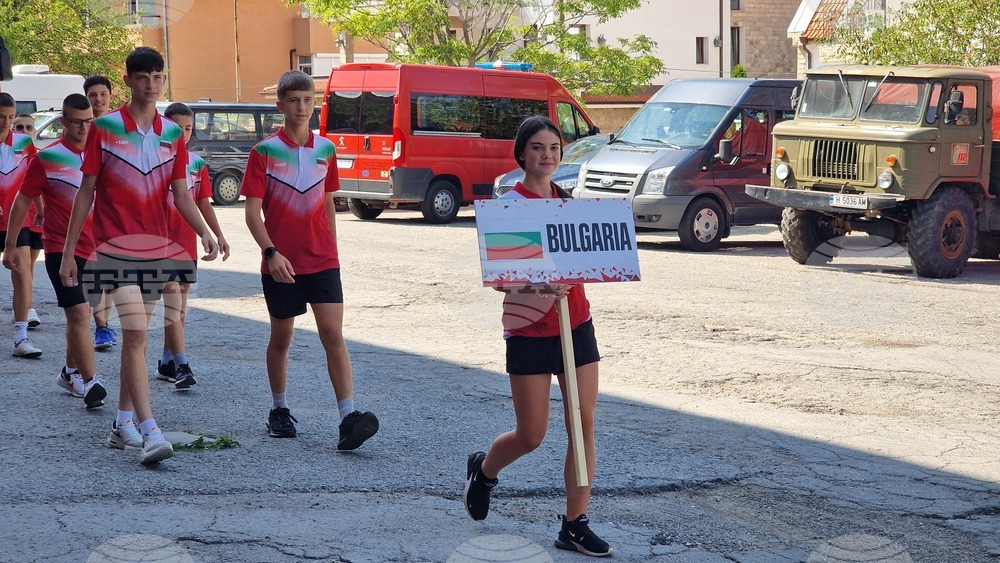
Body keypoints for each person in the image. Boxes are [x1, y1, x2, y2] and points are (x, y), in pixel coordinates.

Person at [61, 47, 219, 465]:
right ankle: (150, 431)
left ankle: (121, 424)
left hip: (158, 247)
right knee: (135, 336)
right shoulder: (105, 128)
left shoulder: (171, 133)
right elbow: (86, 192)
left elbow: (182, 194)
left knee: (139, 339)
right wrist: (68, 254)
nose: (152, 85)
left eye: (158, 77)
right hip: (112, 247)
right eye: (144, 77)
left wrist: (205, 232)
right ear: (128, 81)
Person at [464, 116, 613, 557]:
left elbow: (596, 254)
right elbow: (499, 279)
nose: (546, 155)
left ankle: (574, 523)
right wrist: (539, 285)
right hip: (529, 329)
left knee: (583, 422)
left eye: (553, 147)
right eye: (537, 147)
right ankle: (485, 471)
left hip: (576, 325)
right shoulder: (511, 206)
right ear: (522, 154)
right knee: (532, 435)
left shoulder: (571, 205)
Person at [241, 70, 378, 449]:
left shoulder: (326, 149)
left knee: (333, 335)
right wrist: (271, 253)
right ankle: (279, 409)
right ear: (280, 105)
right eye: (294, 101)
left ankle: (348, 416)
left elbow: (329, 203)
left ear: (314, 104)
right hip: (280, 262)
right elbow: (252, 213)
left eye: (307, 100)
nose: (302, 107)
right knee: (282, 337)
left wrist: (331, 246)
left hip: (322, 260)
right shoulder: (264, 152)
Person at [2, 94, 108, 409]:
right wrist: (10, 246)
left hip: (97, 250)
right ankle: (91, 382)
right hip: (61, 249)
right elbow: (22, 200)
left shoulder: (102, 155)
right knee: (76, 313)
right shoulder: (47, 158)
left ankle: (70, 371)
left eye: (89, 121)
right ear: (63, 122)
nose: (84, 127)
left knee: (85, 314)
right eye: (77, 121)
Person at [155, 102, 230, 389]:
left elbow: (202, 202)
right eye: (177, 128)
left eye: (188, 128)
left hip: (185, 240)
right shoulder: (155, 159)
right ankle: (183, 364)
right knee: (172, 296)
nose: (183, 134)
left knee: (180, 304)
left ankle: (166, 361)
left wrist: (216, 234)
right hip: (160, 241)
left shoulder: (197, 163)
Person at [0, 94, 41, 357]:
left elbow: (34, 176)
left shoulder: (25, 143)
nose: (5, 122)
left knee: (23, 273)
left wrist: (42, 208)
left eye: (10, 117)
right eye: (0, 117)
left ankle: (21, 337)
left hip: (18, 218)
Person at [83, 75, 117, 350]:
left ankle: (104, 323)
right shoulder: (81, 127)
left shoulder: (117, 127)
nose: (98, 99)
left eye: (102, 94)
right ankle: (101, 327)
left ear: (111, 95)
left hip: (113, 211)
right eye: (93, 95)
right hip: (87, 208)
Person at [12, 114, 45, 329]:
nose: (24, 131)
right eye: (19, 127)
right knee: (20, 265)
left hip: (34, 216)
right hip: (13, 217)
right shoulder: (11, 152)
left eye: (28, 127)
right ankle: (24, 309)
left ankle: (27, 307)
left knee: (29, 264)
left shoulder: (40, 156)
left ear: (34, 131)